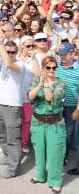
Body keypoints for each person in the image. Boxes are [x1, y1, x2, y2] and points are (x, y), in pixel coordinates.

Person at [0, 34, 26, 179]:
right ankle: (8, 157)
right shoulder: (0, 61)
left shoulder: (20, 64)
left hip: (13, 107)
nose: (9, 54)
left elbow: (9, 64)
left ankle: (13, 169)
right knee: (1, 135)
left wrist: (1, 45)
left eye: (12, 52)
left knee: (13, 139)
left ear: (17, 52)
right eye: (8, 52)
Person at [28, 56, 66, 193]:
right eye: (48, 67)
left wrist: (45, 84)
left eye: (53, 67)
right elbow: (30, 96)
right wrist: (40, 83)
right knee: (39, 152)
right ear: (43, 68)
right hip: (38, 122)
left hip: (55, 124)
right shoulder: (35, 80)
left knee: (55, 153)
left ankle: (55, 181)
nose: (51, 70)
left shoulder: (60, 83)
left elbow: (49, 98)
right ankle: (40, 175)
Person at [54, 42, 79, 175]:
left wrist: (77, 110)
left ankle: (64, 157)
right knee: (60, 134)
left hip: (72, 107)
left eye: (64, 55)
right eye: (60, 55)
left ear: (72, 53)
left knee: (70, 136)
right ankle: (62, 157)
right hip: (58, 106)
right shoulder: (58, 67)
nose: (62, 57)